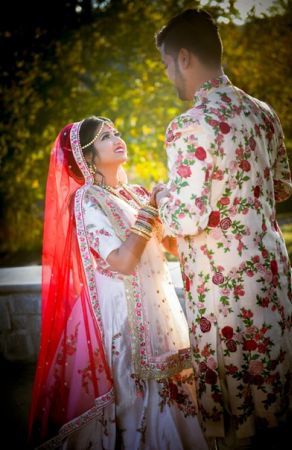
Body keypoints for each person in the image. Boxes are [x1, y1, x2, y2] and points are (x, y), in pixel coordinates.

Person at [154, 8, 292, 450]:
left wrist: (161, 195)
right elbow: (282, 187)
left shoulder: (188, 126)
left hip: (224, 283)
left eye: (165, 65)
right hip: (269, 269)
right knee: (275, 383)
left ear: (183, 57)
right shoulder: (263, 112)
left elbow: (185, 219)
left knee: (238, 411)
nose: (167, 77)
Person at [28, 116, 209, 449]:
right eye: (104, 137)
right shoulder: (87, 200)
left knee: (173, 387)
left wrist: (174, 204)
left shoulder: (134, 194)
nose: (116, 138)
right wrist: (149, 212)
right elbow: (123, 262)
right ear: (88, 157)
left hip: (159, 313)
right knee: (134, 398)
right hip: (122, 320)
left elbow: (171, 247)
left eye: (115, 132)